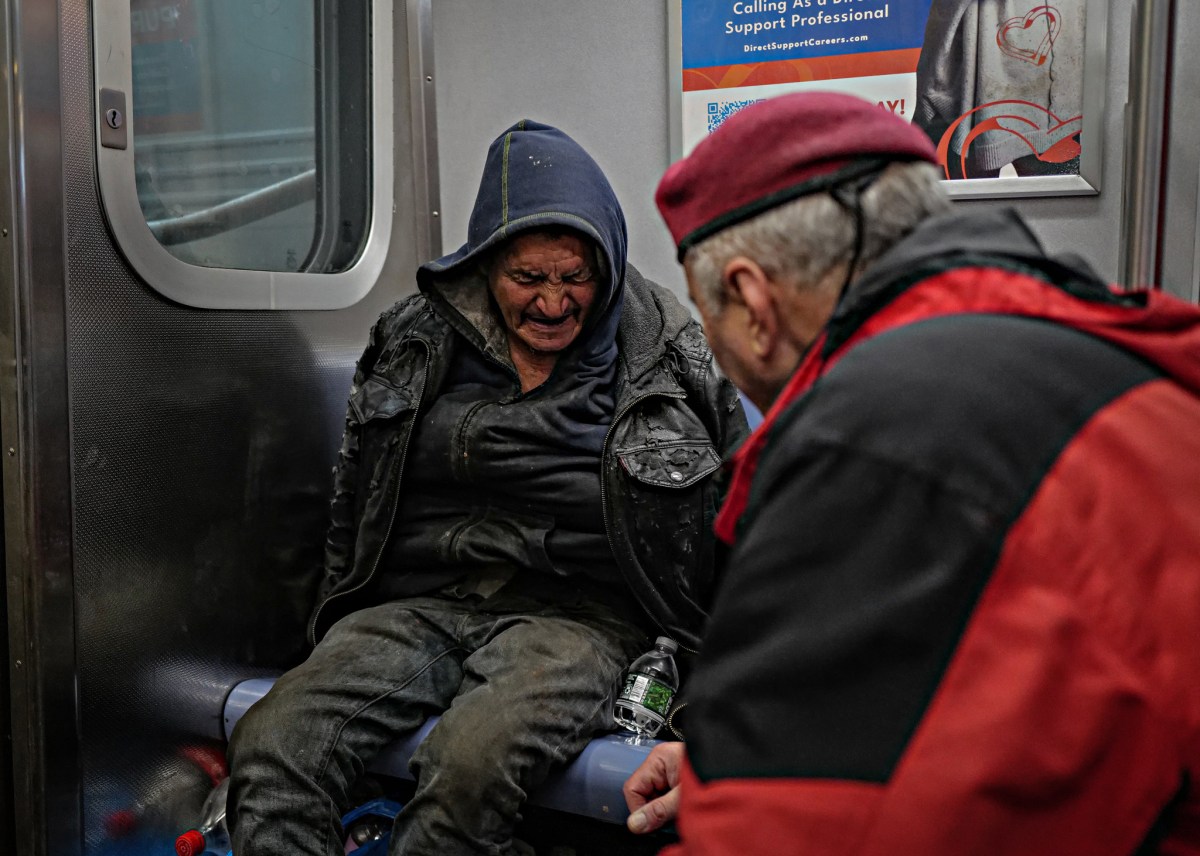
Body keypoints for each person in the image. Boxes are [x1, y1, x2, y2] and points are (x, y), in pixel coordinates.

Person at [623, 91, 1200, 854]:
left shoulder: (866, 444)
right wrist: (744, 764)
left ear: (752, 302)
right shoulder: (1110, 344)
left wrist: (767, 785)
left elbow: (809, 835)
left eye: (708, 312)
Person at [226, 119, 748, 855]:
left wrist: (722, 695)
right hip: (421, 601)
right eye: (527, 278)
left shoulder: (668, 348)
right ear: (483, 265)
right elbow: (354, 496)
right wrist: (323, 624)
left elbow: (748, 509)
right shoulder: (413, 336)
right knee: (275, 746)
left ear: (608, 263)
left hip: (582, 619)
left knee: (470, 768)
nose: (554, 302)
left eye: (575, 277)